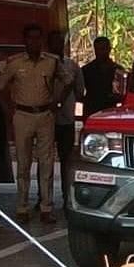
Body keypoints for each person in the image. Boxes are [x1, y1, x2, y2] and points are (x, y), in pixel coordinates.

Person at [0, 23, 71, 224]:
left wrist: (58, 102)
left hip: (45, 114)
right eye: (30, 38)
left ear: (41, 41)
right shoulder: (15, 63)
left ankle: (46, 207)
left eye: (38, 38)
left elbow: (68, 80)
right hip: (22, 115)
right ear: (25, 41)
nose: (34, 42)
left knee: (46, 163)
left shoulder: (51, 62)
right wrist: (9, 112)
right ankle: (22, 207)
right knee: (23, 163)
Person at [36, 30, 84, 207]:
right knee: (44, 158)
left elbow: (79, 91)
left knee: (66, 159)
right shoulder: (42, 66)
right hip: (45, 118)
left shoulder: (72, 66)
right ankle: (43, 197)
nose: (57, 46)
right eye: (53, 42)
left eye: (59, 42)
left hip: (66, 119)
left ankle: (66, 197)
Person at [81, 36, 124, 118]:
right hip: (91, 110)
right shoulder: (86, 70)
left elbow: (122, 94)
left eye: (103, 49)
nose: (101, 52)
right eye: (98, 49)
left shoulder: (118, 70)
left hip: (110, 110)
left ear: (109, 49)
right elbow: (78, 90)